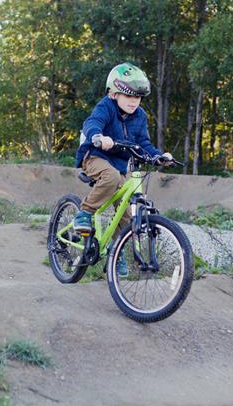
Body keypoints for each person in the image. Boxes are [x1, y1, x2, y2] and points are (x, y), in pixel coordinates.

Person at [73, 63, 173, 275]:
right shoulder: (106, 106)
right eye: (128, 96)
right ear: (113, 93)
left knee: (127, 214)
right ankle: (84, 212)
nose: (133, 102)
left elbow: (144, 143)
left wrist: (158, 157)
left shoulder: (140, 116)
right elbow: (93, 122)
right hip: (95, 156)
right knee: (109, 177)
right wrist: (98, 137)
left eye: (137, 98)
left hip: (119, 165)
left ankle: (113, 251)